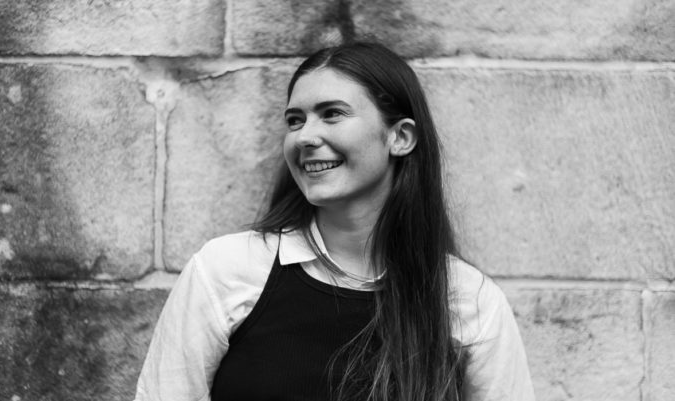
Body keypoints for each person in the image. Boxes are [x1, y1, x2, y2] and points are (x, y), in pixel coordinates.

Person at [134, 42, 534, 401]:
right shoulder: (227, 270)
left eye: (332, 114)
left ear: (400, 137)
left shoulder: (468, 301)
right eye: (295, 120)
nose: (304, 137)